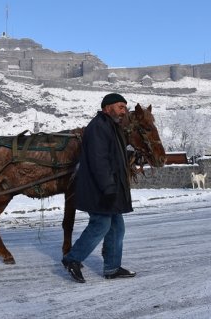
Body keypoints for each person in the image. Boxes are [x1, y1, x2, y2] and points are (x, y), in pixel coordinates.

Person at [62, 93, 137, 283]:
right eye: (120, 106)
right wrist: (109, 188)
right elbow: (99, 161)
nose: (124, 111)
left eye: (125, 107)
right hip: (99, 189)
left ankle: (112, 268)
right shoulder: (98, 127)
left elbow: (113, 157)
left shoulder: (112, 127)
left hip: (109, 189)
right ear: (107, 107)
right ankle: (72, 259)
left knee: (117, 228)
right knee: (101, 225)